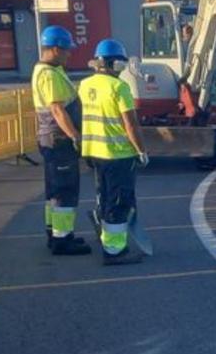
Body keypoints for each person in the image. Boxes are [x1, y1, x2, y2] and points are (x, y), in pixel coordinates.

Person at [78, 38, 149, 265]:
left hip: (94, 153)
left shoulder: (85, 85)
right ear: (114, 64)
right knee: (119, 203)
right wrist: (141, 150)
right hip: (118, 154)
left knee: (105, 197)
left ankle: (107, 236)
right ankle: (115, 250)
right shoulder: (119, 87)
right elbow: (130, 124)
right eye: (120, 63)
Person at [31, 25, 91, 256]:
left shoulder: (49, 71)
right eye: (67, 50)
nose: (69, 54)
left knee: (54, 189)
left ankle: (54, 232)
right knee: (65, 189)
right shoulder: (49, 74)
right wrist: (75, 136)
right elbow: (57, 110)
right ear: (55, 49)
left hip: (51, 139)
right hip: (58, 139)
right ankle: (62, 239)